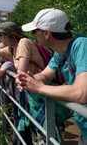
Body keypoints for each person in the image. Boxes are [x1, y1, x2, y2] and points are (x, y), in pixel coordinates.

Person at [15, 8, 87, 145]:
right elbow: (45, 75)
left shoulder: (82, 45)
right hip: (84, 128)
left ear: (47, 33)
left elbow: (82, 93)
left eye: (34, 31)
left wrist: (39, 88)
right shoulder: (60, 53)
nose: (34, 35)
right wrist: (29, 80)